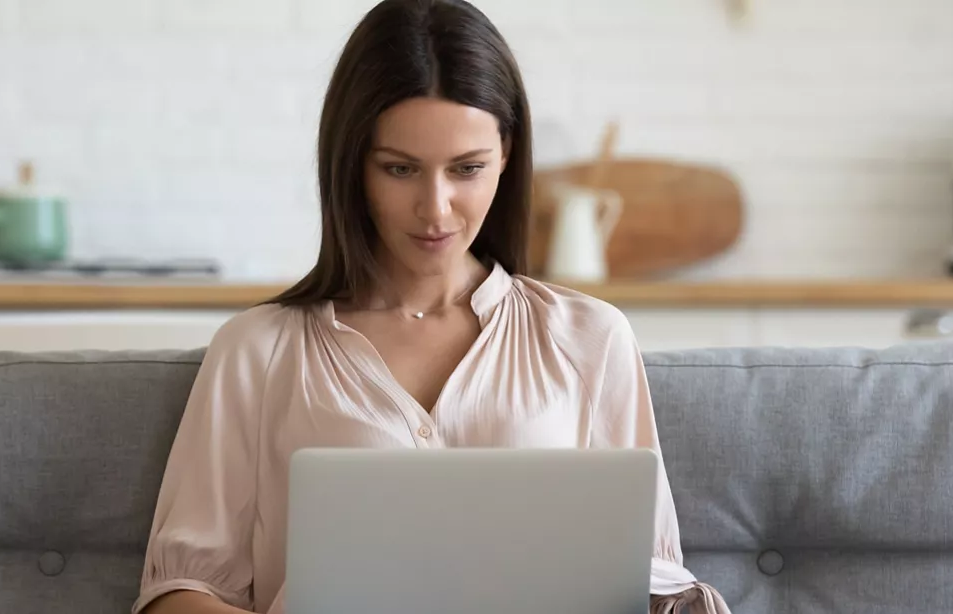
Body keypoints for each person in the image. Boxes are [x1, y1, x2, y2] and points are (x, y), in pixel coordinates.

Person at [134, 1, 729, 613]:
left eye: (467, 169)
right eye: (400, 169)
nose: (436, 209)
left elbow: (653, 579)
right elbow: (178, 594)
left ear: (506, 155)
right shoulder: (257, 351)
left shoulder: (590, 339)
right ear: (352, 166)